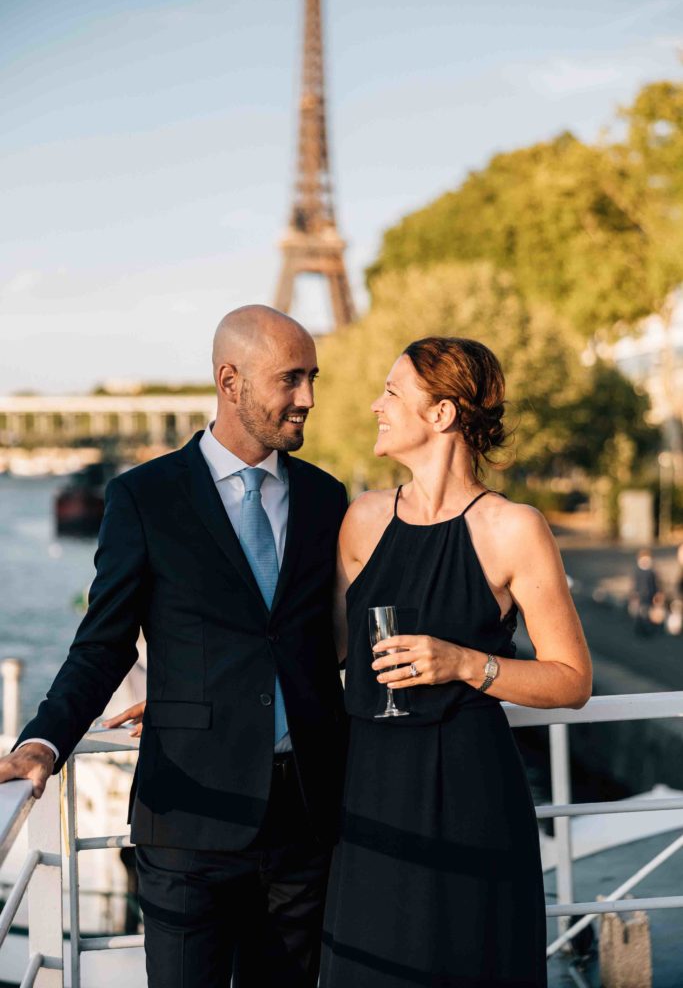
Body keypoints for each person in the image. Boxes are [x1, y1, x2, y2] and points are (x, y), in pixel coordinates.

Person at [0, 305, 348, 988]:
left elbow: (317, 642)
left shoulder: (324, 497)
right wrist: (42, 743)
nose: (307, 397)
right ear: (230, 381)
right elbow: (103, 645)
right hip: (188, 821)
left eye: (312, 377)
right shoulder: (143, 497)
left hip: (305, 821)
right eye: (290, 378)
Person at [319, 336, 592, 988]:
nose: (375, 405)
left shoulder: (513, 528)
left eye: (391, 392)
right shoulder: (362, 520)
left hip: (472, 797)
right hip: (368, 792)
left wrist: (466, 664)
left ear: (441, 414)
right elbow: (318, 654)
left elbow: (572, 679)